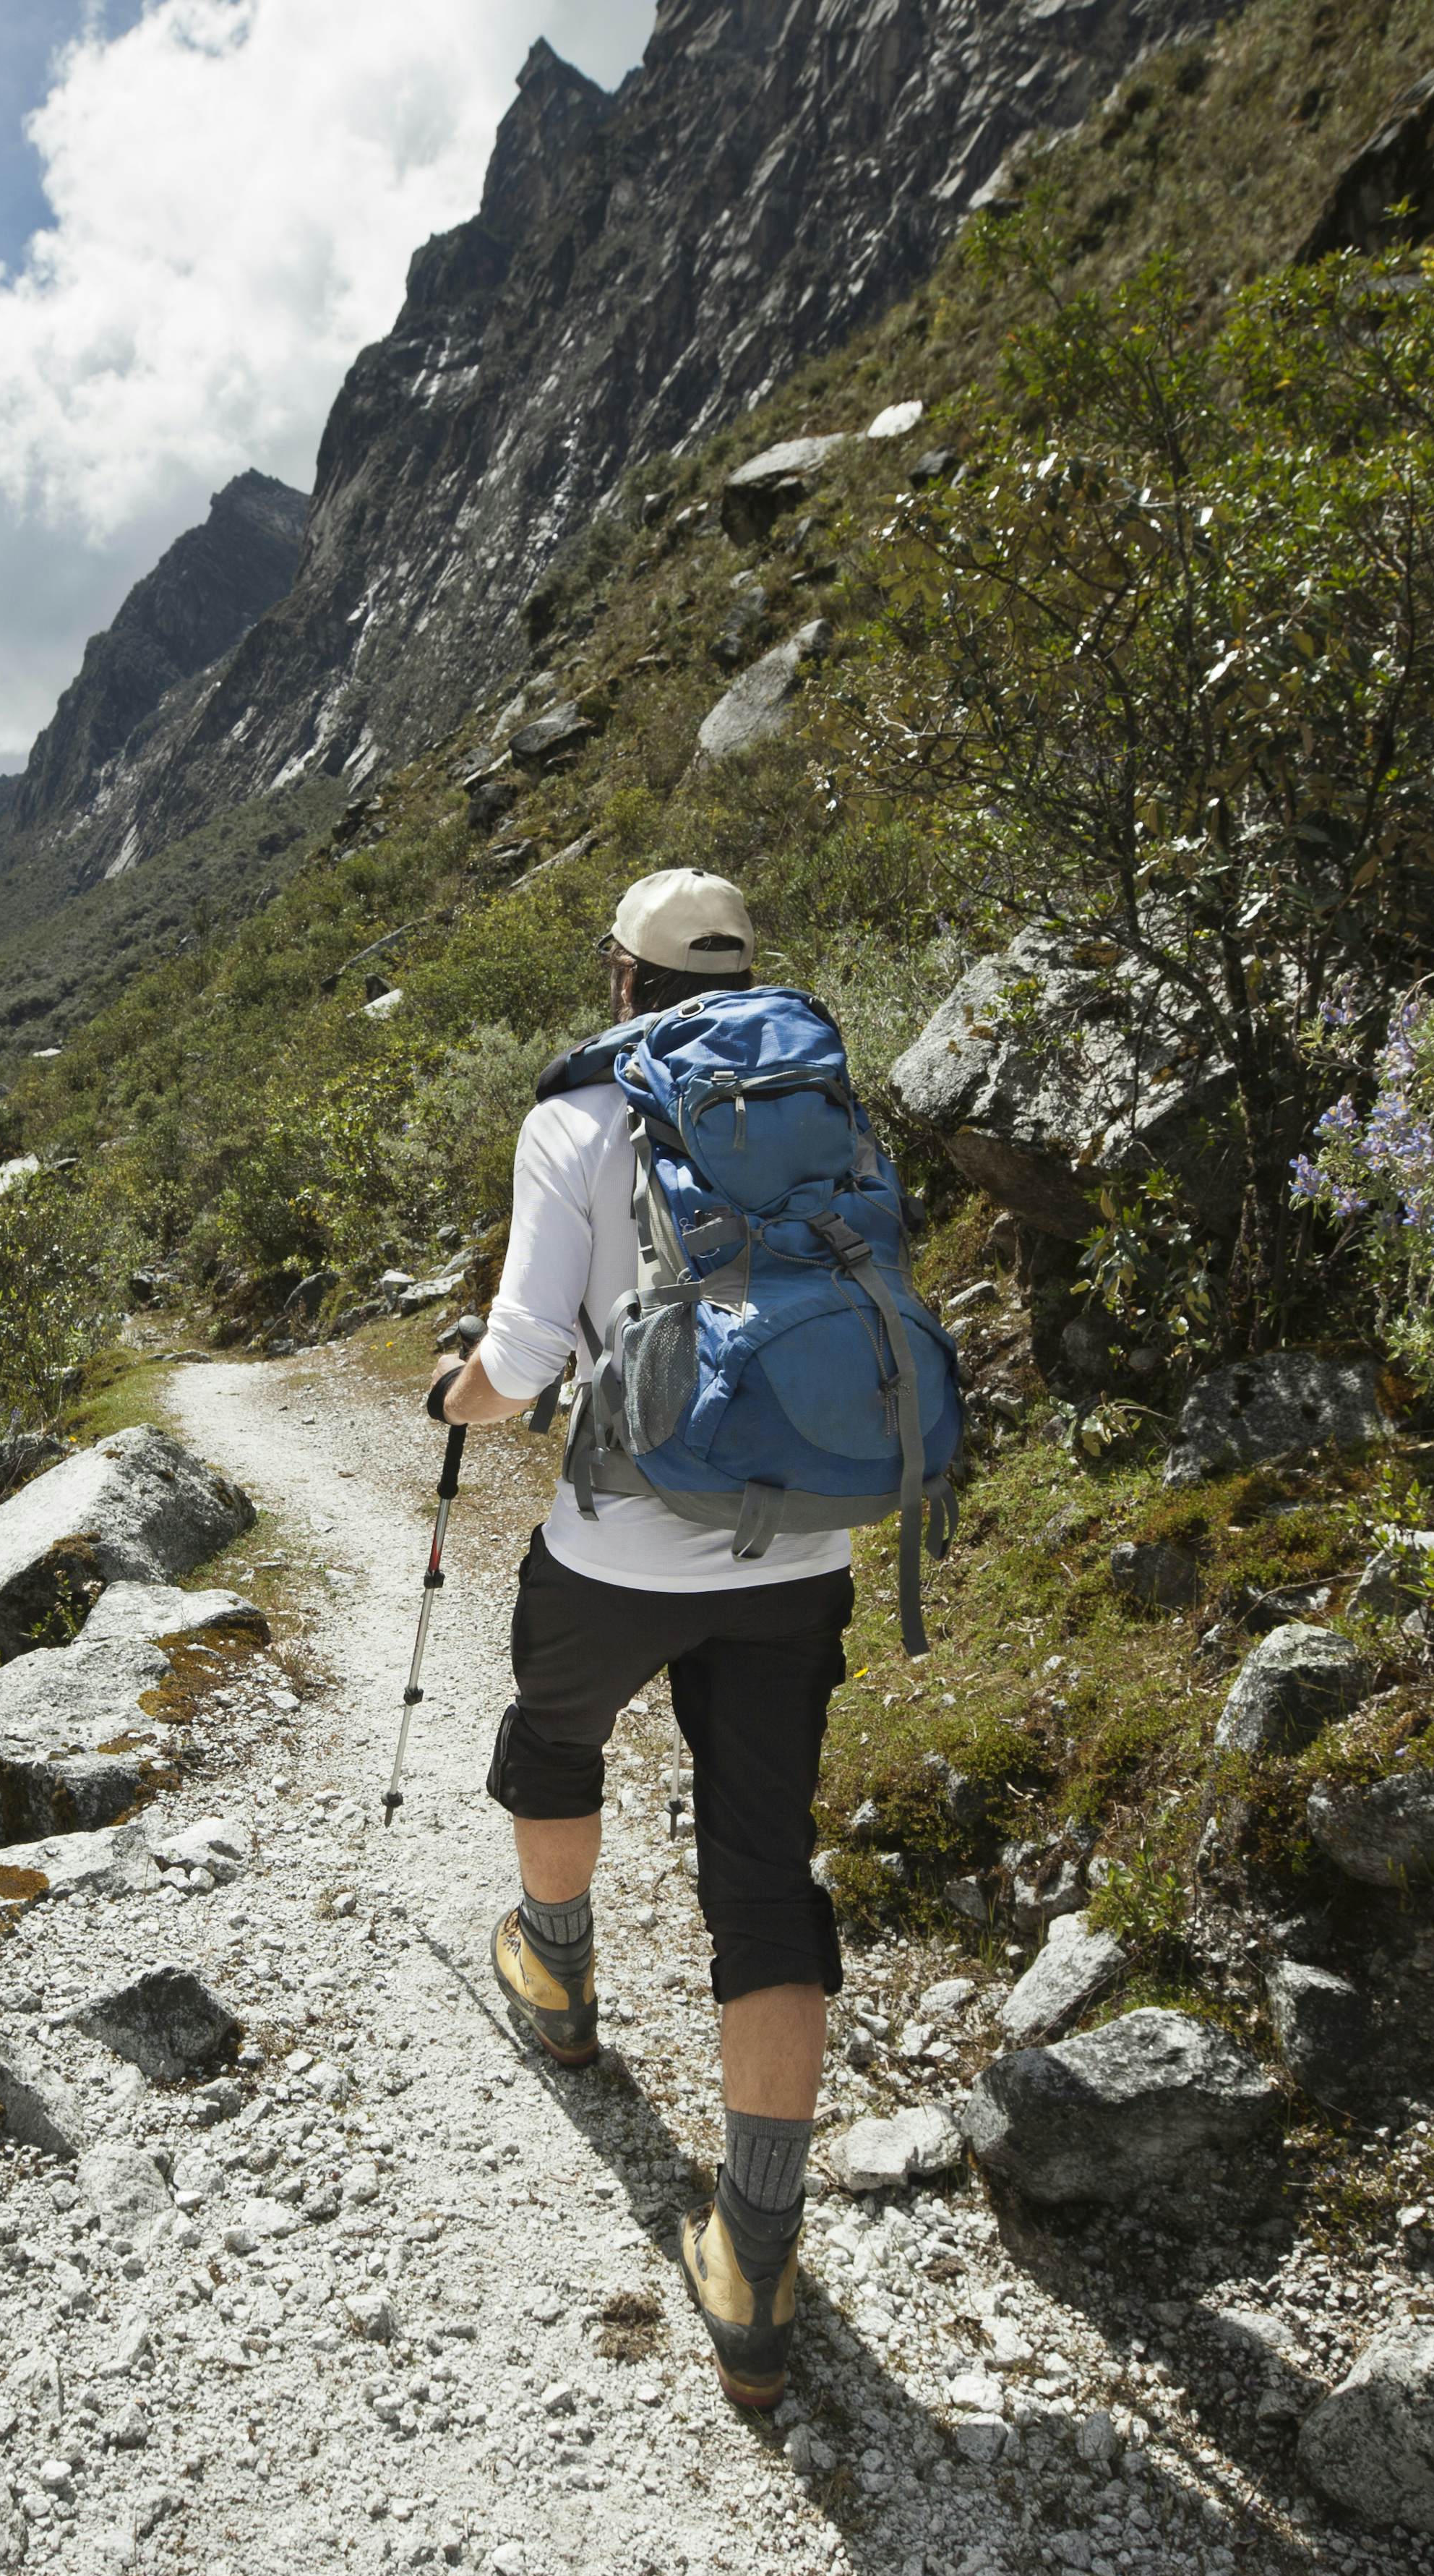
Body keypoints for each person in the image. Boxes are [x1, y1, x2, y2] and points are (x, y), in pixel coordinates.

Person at [421, 865, 849, 2410]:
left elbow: (524, 1357)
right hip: (800, 1536)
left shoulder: (577, 1118)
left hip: (617, 1540)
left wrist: (454, 1395)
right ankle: (753, 2254)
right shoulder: (820, 1091)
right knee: (758, 1880)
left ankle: (556, 1973)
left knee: (553, 1735)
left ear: (621, 986)